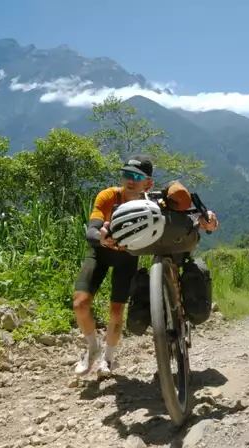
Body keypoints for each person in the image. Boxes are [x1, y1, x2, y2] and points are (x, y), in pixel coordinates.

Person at [73, 155, 219, 378]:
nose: (129, 180)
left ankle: (107, 360)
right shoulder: (109, 196)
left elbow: (183, 216)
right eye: (126, 174)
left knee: (116, 310)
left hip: (126, 257)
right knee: (80, 304)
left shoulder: (155, 203)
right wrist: (100, 237)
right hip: (100, 254)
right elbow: (92, 228)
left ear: (148, 182)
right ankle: (92, 348)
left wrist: (206, 218)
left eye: (136, 176)